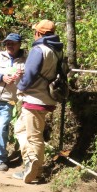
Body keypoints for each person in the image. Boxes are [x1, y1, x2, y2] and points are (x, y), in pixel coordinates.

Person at [13, 20, 63, 183]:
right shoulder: (56, 50)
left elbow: (30, 75)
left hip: (34, 98)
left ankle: (35, 167)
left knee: (34, 135)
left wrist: (20, 85)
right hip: (48, 98)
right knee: (20, 129)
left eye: (35, 32)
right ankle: (31, 161)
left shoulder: (38, 49)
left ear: (39, 34)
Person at [0, 33, 26, 172]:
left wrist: (22, 77)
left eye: (12, 43)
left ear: (19, 44)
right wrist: (2, 77)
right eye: (7, 43)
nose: (9, 45)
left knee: (1, 128)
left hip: (8, 101)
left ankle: (2, 158)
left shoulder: (27, 60)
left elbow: (30, 81)